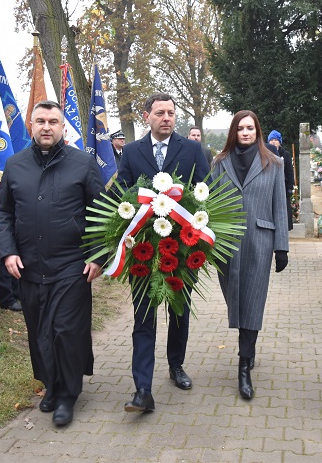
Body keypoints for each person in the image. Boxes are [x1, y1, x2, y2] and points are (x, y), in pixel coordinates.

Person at [0, 100, 104, 427]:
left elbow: (102, 213)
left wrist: (98, 256)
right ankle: (51, 386)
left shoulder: (83, 164)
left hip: (72, 265)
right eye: (40, 121)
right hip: (29, 265)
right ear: (31, 126)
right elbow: (4, 212)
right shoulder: (15, 165)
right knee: (40, 331)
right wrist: (8, 251)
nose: (46, 127)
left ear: (62, 127)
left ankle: (68, 395)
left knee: (66, 332)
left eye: (53, 121)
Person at [115, 93, 211, 413]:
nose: (167, 117)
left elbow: (205, 194)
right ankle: (142, 388)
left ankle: (176, 366)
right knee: (144, 316)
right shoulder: (130, 152)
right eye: (160, 113)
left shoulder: (193, 150)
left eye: (171, 113)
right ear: (148, 117)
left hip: (182, 247)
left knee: (178, 312)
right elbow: (123, 196)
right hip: (142, 249)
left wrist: (197, 237)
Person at [210, 111, 289, 400]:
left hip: (259, 240)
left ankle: (244, 365)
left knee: (253, 299)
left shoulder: (274, 163)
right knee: (235, 298)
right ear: (234, 131)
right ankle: (247, 349)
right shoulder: (219, 163)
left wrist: (282, 247)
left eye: (251, 128)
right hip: (227, 243)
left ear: (258, 130)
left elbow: (280, 204)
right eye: (241, 128)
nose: (246, 133)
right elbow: (211, 202)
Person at [266, 130, 295, 230]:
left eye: (276, 140)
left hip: (283, 186)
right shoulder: (266, 154)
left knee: (283, 210)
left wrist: (290, 187)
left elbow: (289, 172)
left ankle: (283, 229)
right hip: (269, 187)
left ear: (279, 142)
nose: (273, 142)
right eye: (271, 140)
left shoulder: (285, 154)